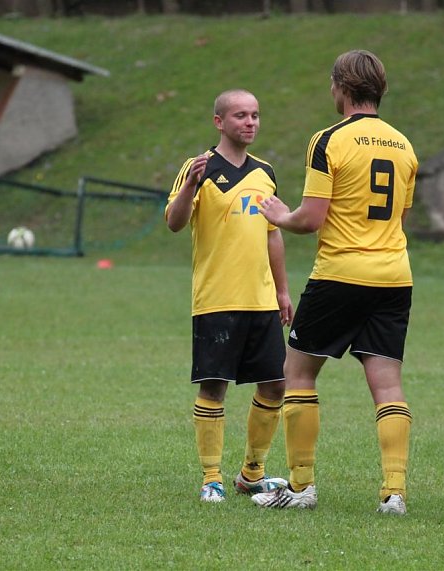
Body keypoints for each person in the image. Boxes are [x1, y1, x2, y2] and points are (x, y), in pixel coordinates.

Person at [251, 50, 418, 515]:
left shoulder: (328, 140)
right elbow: (401, 217)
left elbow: (311, 218)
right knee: (387, 385)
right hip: (394, 277)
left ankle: (301, 488)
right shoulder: (404, 146)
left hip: (341, 274)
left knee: (297, 374)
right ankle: (394, 493)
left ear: (342, 88)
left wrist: (279, 216)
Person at [165, 89, 293, 502]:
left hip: (261, 300)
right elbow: (174, 222)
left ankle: (251, 474)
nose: (250, 122)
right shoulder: (199, 167)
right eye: (241, 115)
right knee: (213, 387)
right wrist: (189, 187)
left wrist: (282, 290)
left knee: (275, 386)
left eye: (255, 115)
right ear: (219, 122)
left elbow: (273, 235)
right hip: (217, 298)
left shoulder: (265, 172)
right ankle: (211, 479)